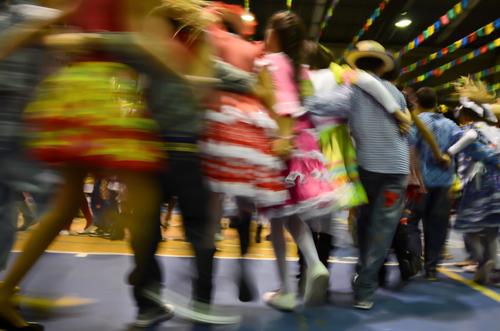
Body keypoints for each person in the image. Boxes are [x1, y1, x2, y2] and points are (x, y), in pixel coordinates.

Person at [0, 0, 186, 329]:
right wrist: (180, 72)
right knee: (142, 202)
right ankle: (143, 279)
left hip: (76, 92)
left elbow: (40, 27)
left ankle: (2, 294)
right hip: (100, 95)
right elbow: (140, 43)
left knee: (66, 205)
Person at [303, 40, 411, 310]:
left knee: (363, 224)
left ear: (354, 66)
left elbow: (317, 105)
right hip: (396, 170)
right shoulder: (396, 92)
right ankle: (365, 285)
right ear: (382, 69)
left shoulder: (351, 91)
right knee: (382, 230)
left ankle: (364, 283)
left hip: (368, 168)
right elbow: (407, 129)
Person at [453, 78, 500, 285]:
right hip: (496, 184)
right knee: (491, 229)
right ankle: (496, 269)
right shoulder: (495, 131)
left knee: (467, 226)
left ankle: (482, 262)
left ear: (465, 114)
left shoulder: (469, 132)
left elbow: (482, 154)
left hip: (479, 184)